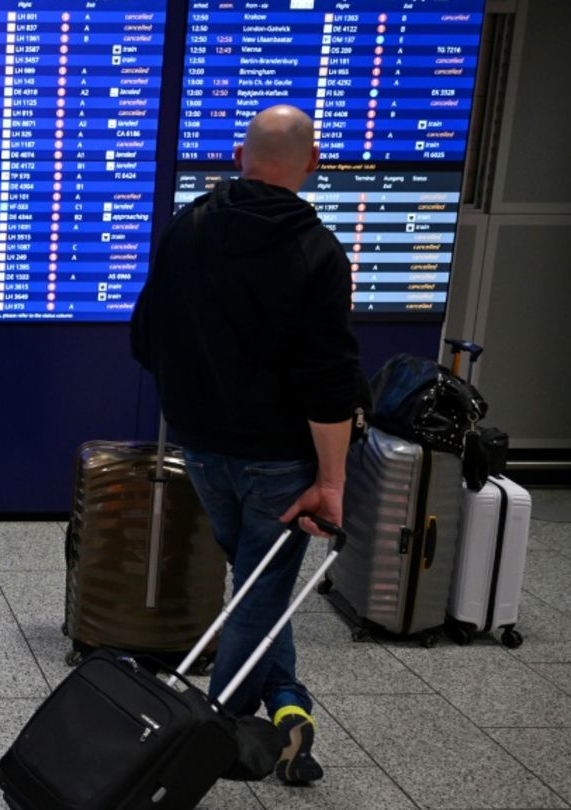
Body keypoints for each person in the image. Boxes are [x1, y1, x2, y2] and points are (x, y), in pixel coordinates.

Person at [130, 104, 364, 786]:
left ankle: (290, 706)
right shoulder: (318, 252)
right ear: (312, 165)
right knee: (260, 592)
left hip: (200, 449)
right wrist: (333, 482)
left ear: (239, 157)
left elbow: (145, 338)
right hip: (280, 461)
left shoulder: (187, 229)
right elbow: (330, 384)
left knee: (257, 583)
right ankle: (219, 736)